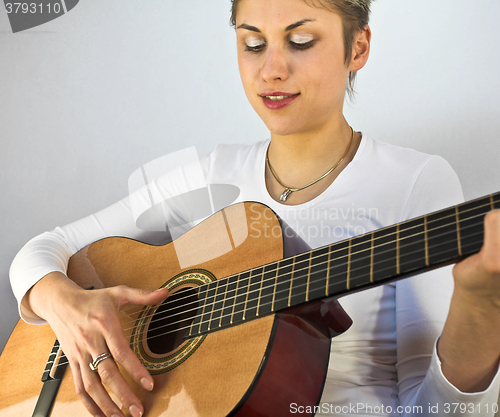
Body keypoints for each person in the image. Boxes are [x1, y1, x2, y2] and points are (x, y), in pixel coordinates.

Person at [9, 0, 500, 416]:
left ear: (359, 47)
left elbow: (435, 408)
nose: (271, 70)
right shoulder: (210, 175)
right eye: (253, 43)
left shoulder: (416, 181)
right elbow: (43, 249)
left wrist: (482, 307)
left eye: (301, 41)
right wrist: (63, 303)